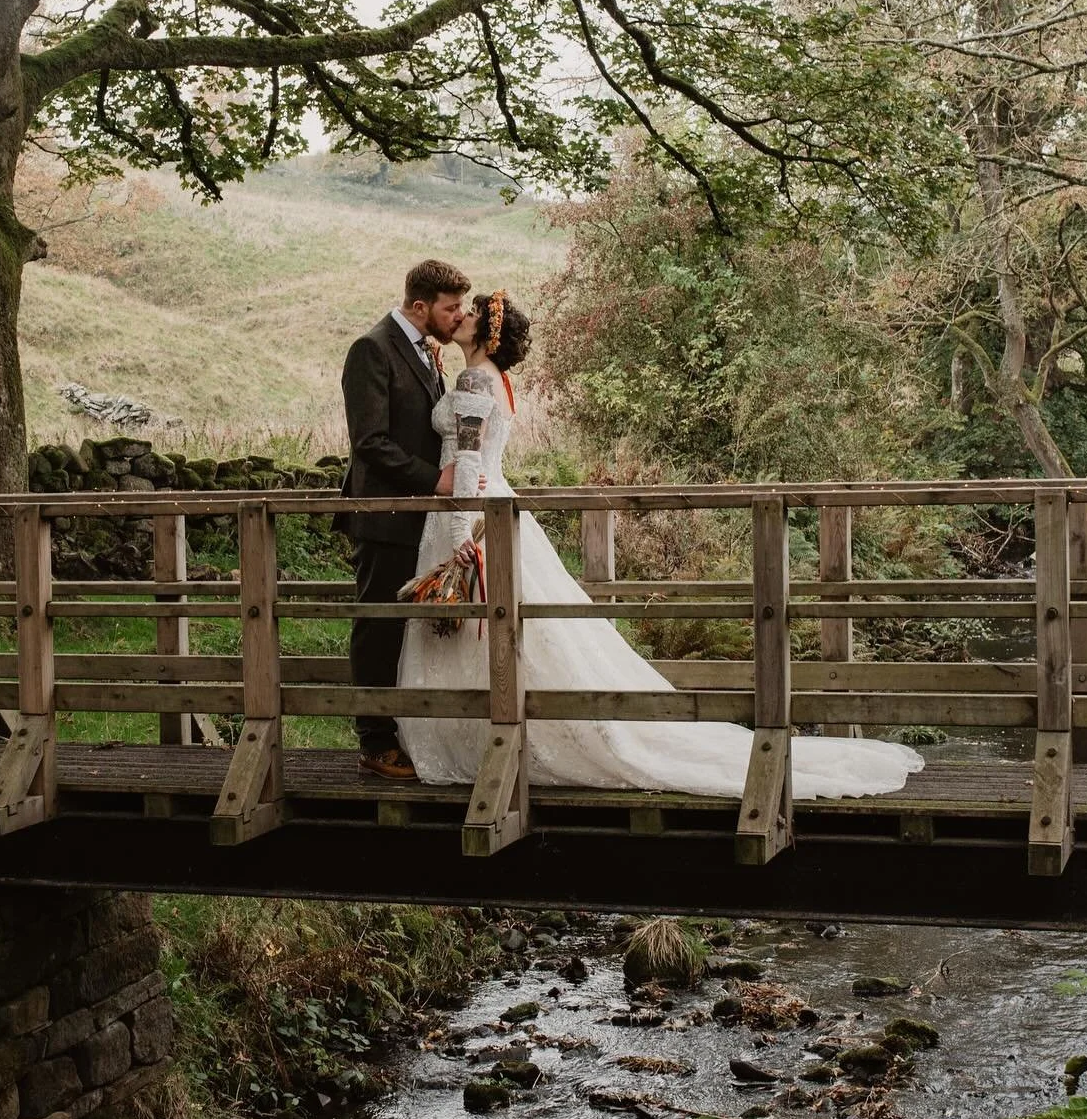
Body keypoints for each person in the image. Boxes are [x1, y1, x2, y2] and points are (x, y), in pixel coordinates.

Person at [396, 290, 923, 800]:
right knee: (516, 634)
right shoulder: (497, 380)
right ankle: (508, 733)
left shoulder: (472, 377)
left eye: (471, 312)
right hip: (498, 507)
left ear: (486, 333)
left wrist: (461, 535)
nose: (460, 316)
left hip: (472, 514)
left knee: (492, 631)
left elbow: (467, 464)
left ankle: (493, 738)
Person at [339, 259, 474, 780]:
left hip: (419, 517)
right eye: (450, 306)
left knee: (407, 631)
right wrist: (434, 479)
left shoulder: (424, 351)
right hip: (384, 515)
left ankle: (409, 733)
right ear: (420, 306)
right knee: (378, 625)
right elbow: (369, 442)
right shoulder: (371, 349)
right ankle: (374, 743)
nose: (458, 314)